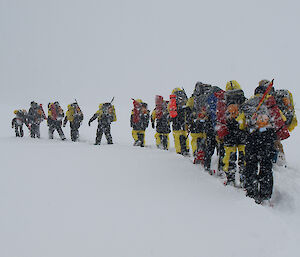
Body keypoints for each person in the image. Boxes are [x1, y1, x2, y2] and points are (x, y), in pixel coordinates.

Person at [238, 79, 290, 204]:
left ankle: (251, 192)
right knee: (266, 166)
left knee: (250, 165)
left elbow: (241, 123)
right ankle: (265, 195)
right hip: (268, 139)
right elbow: (281, 120)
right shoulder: (271, 104)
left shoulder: (248, 104)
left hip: (252, 139)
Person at [219, 80, 247, 186]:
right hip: (242, 132)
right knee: (243, 157)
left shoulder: (224, 101)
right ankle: (244, 179)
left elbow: (220, 117)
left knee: (229, 157)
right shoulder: (243, 99)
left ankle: (230, 178)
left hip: (229, 133)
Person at [168, 88, 190, 155]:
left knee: (177, 135)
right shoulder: (184, 98)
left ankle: (179, 150)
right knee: (184, 133)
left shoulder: (172, 101)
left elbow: (169, 110)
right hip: (183, 119)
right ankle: (186, 148)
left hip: (175, 120)